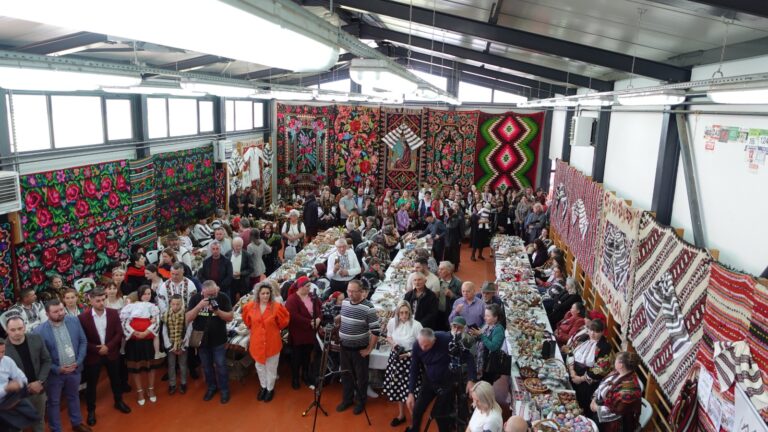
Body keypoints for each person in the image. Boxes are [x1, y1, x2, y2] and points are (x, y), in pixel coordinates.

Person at [34, 299, 90, 432]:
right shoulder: (38, 331)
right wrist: (57, 369)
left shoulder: (74, 321)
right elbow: (40, 357)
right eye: (56, 311)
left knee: (74, 396)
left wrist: (79, 361)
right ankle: (56, 429)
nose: (60, 313)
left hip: (75, 370)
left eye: (61, 309)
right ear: (47, 314)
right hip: (54, 374)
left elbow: (83, 341)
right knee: (53, 402)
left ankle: (77, 423)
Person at [406, 328, 476, 432]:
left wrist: (471, 379)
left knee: (441, 416)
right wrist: (410, 392)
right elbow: (414, 368)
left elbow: (469, 357)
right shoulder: (417, 345)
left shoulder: (446, 339)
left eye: (426, 345)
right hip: (429, 381)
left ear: (434, 341)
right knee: (417, 409)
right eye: (421, 345)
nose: (423, 348)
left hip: (447, 383)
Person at [77, 288, 130, 426]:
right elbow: (82, 339)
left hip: (111, 353)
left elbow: (119, 333)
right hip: (93, 356)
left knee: (116, 380)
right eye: (98, 300)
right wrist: (96, 349)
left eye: (103, 300)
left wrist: (108, 347)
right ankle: (91, 411)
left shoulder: (113, 313)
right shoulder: (82, 318)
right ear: (90, 300)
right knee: (92, 385)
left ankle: (118, 401)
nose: (101, 303)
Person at [185, 280, 234, 404]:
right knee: (206, 366)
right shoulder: (196, 299)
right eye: (209, 295)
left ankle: (224, 390)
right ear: (203, 292)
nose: (212, 296)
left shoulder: (223, 297)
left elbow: (230, 317)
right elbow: (187, 318)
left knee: (221, 365)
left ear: (217, 289)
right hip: (202, 340)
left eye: (214, 294)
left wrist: (217, 311)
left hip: (219, 339)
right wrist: (199, 306)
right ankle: (211, 387)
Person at [336, 279, 380, 415]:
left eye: (353, 291)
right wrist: (339, 319)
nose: (350, 294)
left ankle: (361, 401)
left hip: (359, 349)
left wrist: (369, 349)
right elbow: (345, 316)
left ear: (361, 292)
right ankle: (347, 399)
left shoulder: (368, 308)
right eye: (348, 291)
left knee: (361, 378)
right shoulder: (345, 302)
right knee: (346, 375)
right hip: (344, 347)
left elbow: (376, 331)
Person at [3, 316, 51, 432]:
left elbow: (47, 360)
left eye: (20, 328)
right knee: (17, 426)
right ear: (7, 330)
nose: (17, 332)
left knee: (39, 420)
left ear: (24, 327)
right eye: (13, 330)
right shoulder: (2, 349)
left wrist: (40, 381)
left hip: (38, 390)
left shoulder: (36, 338)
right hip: (16, 396)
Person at [383, 301, 423, 427]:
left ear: (410, 312)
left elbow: (422, 346)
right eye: (401, 313)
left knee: (410, 392)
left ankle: (414, 422)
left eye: (406, 312)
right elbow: (389, 336)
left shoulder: (416, 325)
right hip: (396, 359)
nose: (404, 315)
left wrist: (408, 354)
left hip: (411, 361)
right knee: (398, 388)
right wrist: (395, 345)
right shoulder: (392, 323)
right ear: (397, 313)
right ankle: (401, 415)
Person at [120, 286, 162, 405]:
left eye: (149, 294)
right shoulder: (131, 307)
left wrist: (146, 332)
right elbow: (124, 322)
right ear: (139, 295)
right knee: (136, 368)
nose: (147, 296)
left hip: (148, 341)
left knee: (151, 367)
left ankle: (151, 389)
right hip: (134, 342)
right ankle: (139, 391)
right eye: (144, 294)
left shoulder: (153, 307)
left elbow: (157, 322)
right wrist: (134, 332)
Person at [568, 319, 613, 414]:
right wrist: (572, 371)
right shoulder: (583, 338)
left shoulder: (605, 347)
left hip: (587, 381)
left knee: (580, 403)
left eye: (596, 331)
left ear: (602, 332)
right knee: (567, 396)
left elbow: (601, 369)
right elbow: (570, 352)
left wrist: (580, 379)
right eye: (591, 330)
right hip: (573, 372)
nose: (592, 333)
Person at [590, 351, 642, 432]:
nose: (614, 361)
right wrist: (594, 398)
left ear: (621, 365)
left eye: (616, 360)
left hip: (616, 424)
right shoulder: (617, 372)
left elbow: (616, 412)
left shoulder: (628, 390)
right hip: (601, 408)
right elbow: (602, 385)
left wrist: (597, 408)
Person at [284, 277, 321, 390]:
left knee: (307, 355)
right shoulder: (292, 299)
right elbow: (294, 316)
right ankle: (295, 378)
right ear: (300, 287)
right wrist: (310, 322)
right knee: (296, 357)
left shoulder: (312, 296)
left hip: (310, 332)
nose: (310, 288)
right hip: (298, 333)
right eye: (307, 286)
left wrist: (319, 319)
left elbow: (320, 308)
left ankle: (305, 375)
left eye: (310, 286)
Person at [0, 337, 43, 432]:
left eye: (3, 352)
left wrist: (18, 385)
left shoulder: (7, 361)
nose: (1, 356)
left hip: (9, 403)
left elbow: (22, 379)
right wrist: (6, 388)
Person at [161, 294, 192, 396]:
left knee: (183, 365)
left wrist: (184, 346)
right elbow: (164, 332)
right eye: (173, 304)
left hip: (182, 344)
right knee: (171, 365)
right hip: (171, 345)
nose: (175, 306)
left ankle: (183, 383)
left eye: (178, 304)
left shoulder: (186, 315)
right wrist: (170, 346)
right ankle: (172, 384)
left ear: (182, 304)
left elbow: (189, 331)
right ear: (170, 304)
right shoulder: (166, 315)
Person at [468, 304, 506, 384]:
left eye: (488, 316)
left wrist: (481, 335)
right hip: (481, 359)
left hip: (489, 364)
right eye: (485, 315)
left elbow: (493, 347)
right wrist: (476, 334)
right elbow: (483, 339)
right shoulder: (486, 324)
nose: (485, 318)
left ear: (495, 317)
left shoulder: (498, 329)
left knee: (486, 383)